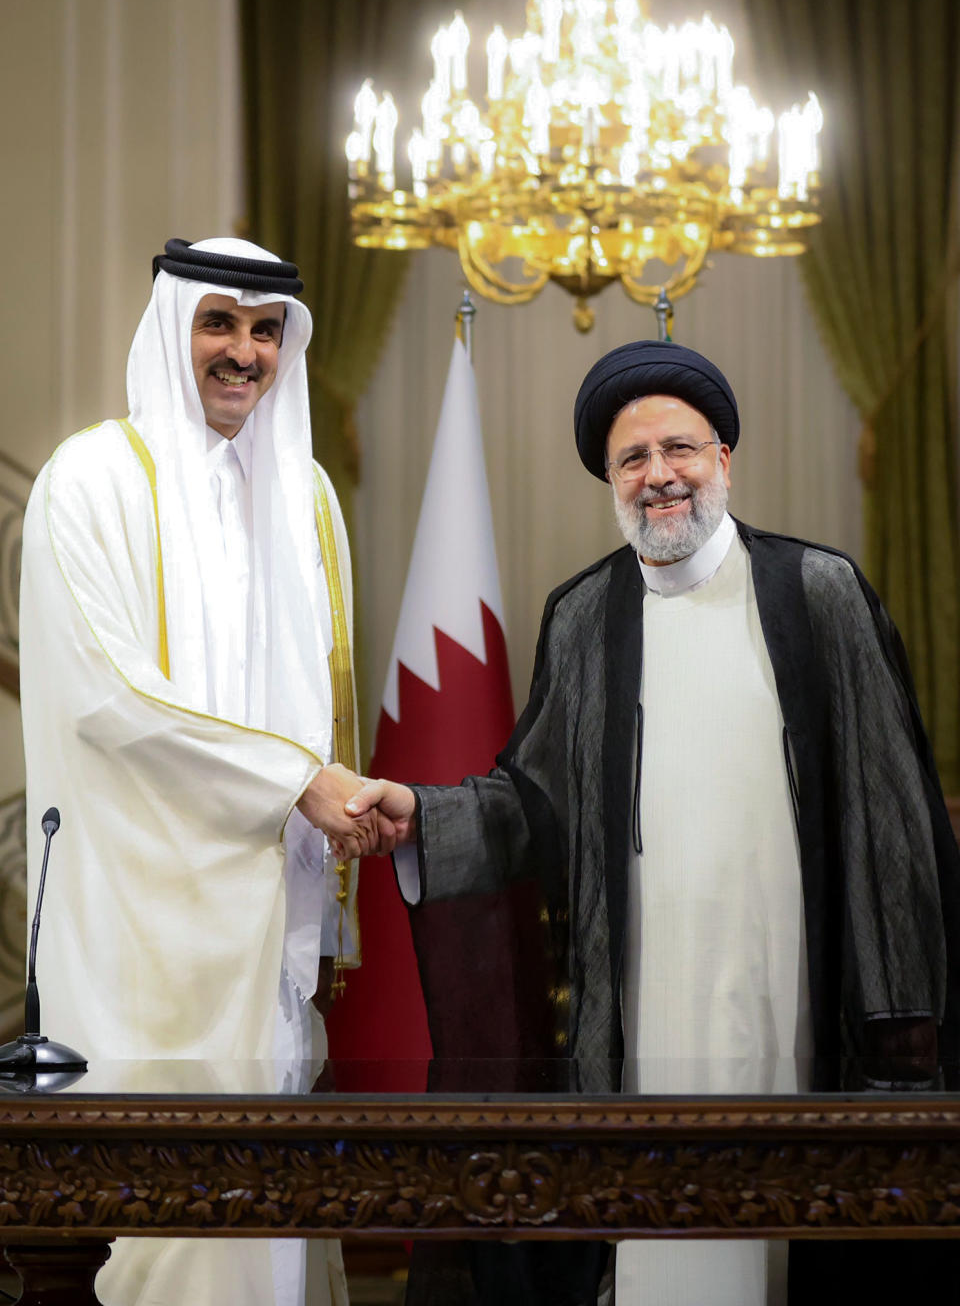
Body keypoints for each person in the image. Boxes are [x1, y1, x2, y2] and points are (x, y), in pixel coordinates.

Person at [330, 339, 960, 1306]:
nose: (660, 476)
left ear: (724, 461)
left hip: (795, 991)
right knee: (663, 1248)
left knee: (796, 1249)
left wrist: (902, 1030)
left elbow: (895, 821)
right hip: (642, 1004)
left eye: (681, 450)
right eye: (634, 459)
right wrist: (422, 813)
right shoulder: (583, 615)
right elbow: (531, 806)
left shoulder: (816, 592)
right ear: (610, 481)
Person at [19, 237, 375, 1306]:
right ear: (171, 328)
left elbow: (331, 706)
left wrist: (333, 822)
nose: (244, 352)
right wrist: (292, 781)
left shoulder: (307, 498)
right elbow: (107, 700)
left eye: (267, 331)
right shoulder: (89, 480)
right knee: (160, 1221)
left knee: (267, 1207)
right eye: (219, 323)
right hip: (140, 922)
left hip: (271, 916)